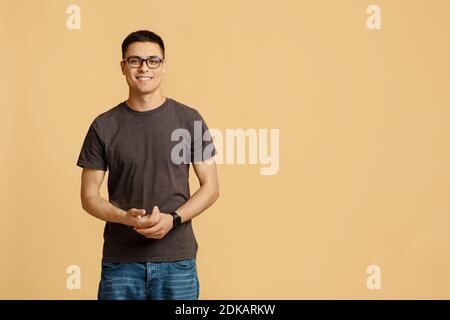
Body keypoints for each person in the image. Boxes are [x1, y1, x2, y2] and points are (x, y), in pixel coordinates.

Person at [76, 30, 219, 300]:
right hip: (120, 263)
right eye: (135, 61)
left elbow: (211, 187)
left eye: (153, 60)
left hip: (177, 262)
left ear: (163, 66)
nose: (144, 68)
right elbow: (89, 196)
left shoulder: (189, 120)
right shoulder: (103, 126)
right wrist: (123, 218)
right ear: (123, 66)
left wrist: (173, 219)